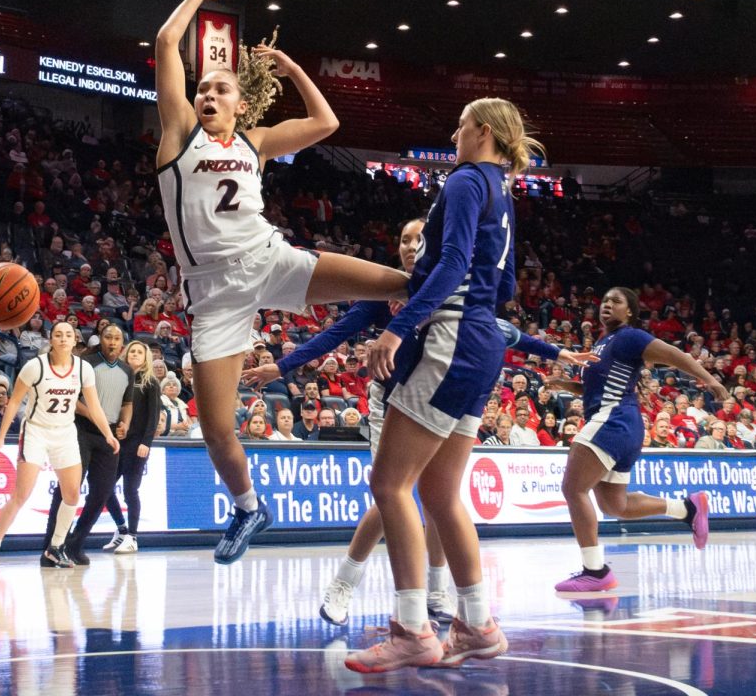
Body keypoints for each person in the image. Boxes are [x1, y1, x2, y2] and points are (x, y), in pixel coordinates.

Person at [155, 0, 409, 564]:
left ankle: (460, 304)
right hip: (213, 293)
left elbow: (327, 124)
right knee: (217, 427)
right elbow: (168, 41)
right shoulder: (177, 138)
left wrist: (292, 67)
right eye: (203, 90)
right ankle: (249, 508)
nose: (208, 96)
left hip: (269, 260)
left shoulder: (257, 141)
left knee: (398, 282)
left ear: (241, 103)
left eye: (221, 89)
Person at [242, 217, 592, 628]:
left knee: (439, 497)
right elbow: (336, 332)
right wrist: (280, 368)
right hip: (389, 400)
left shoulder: (449, 288)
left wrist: (557, 354)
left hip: (439, 395)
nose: (410, 246)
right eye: (404, 239)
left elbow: (503, 330)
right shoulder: (388, 289)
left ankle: (436, 591)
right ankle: (344, 584)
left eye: (418, 239)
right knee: (392, 494)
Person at [343, 97, 537, 673]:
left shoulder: (465, 181)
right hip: (483, 345)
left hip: (451, 339)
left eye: (458, 124)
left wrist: (399, 327)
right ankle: (476, 623)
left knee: (389, 483)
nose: (453, 133)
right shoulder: (502, 191)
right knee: (440, 494)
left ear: (481, 130)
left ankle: (411, 629)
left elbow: (452, 265)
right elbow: (501, 286)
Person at [547, 287, 729, 598]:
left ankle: (595, 572)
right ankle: (685, 508)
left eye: (616, 301)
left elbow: (678, 356)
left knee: (572, 488)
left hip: (613, 421)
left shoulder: (630, 336)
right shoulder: (604, 343)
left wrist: (709, 380)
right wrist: (568, 385)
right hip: (623, 426)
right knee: (613, 504)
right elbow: (600, 387)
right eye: (604, 301)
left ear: (629, 311)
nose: (607, 305)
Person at [0, 322, 119, 570]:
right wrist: (1, 437)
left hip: (65, 433)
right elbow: (13, 403)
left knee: (72, 494)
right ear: (51, 339)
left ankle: (55, 547)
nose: (64, 338)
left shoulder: (83, 368)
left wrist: (107, 433)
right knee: (21, 494)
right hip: (36, 431)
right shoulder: (35, 366)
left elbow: (94, 406)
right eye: (58, 335)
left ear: (75, 340)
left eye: (68, 334)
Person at [43, 324, 133, 565]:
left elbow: (127, 403)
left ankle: (74, 545)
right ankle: (50, 546)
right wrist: (95, 416)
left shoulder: (127, 370)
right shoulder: (85, 364)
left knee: (102, 492)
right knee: (68, 489)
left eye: (117, 338)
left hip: (110, 434)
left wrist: (125, 423)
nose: (112, 342)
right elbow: (70, 398)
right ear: (100, 339)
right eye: (108, 337)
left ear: (122, 343)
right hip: (80, 429)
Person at [102, 341, 161, 555]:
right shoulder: (118, 379)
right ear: (126, 355)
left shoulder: (150, 382)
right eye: (132, 351)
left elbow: (153, 416)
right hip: (117, 442)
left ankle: (133, 537)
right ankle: (121, 529)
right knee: (105, 488)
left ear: (145, 358)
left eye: (140, 352)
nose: (135, 354)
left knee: (130, 490)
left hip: (137, 444)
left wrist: (146, 442)